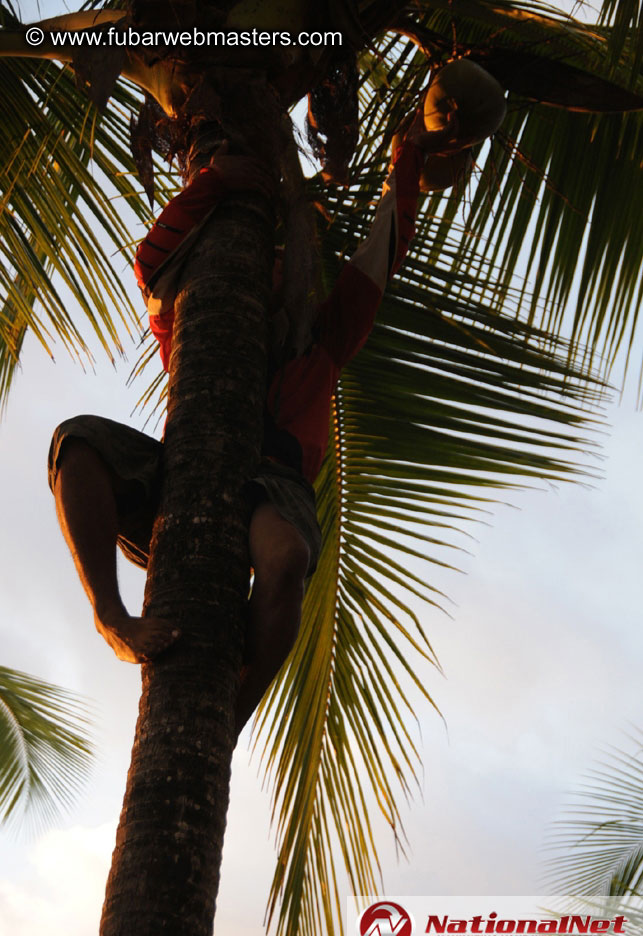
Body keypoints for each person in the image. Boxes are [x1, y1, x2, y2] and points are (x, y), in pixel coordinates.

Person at [48, 109, 457, 735]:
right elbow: (153, 264)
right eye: (258, 265)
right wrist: (213, 181)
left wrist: (408, 163)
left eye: (278, 267)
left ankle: (233, 716)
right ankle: (111, 617)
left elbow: (381, 252)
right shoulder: (194, 317)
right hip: (183, 473)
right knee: (76, 441)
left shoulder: (324, 338)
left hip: (275, 482)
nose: (268, 274)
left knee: (287, 555)